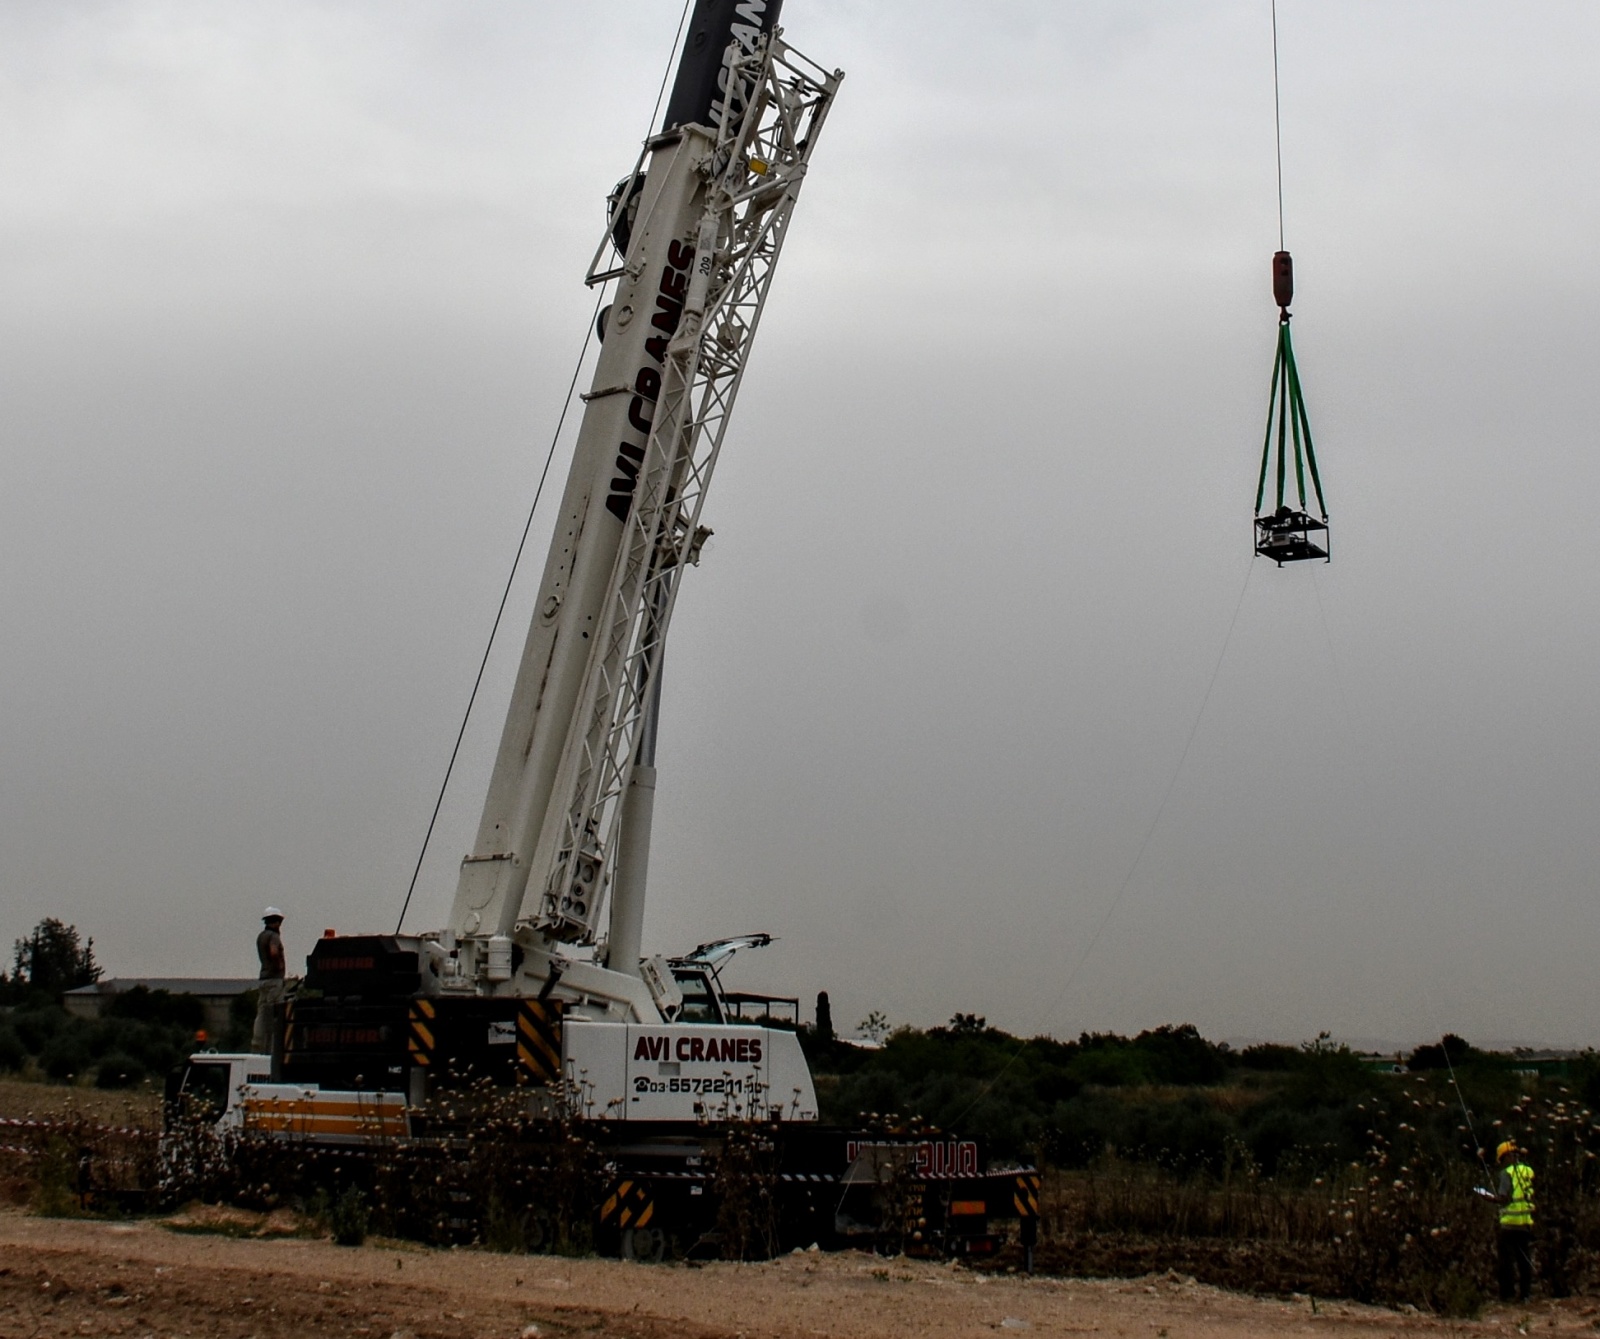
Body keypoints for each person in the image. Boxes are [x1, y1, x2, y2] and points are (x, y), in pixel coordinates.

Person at [1491, 1139, 1536, 1302]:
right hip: (1525, 1222)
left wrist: (1491, 1198)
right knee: (1524, 1260)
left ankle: (1507, 1295)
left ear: (1506, 1157)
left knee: (1506, 1261)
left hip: (1509, 1223)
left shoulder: (1506, 1173)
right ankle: (1525, 1295)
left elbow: (1504, 1197)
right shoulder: (1529, 1171)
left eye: (1502, 1160)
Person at [251, 907, 287, 1053]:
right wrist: (279, 966)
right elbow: (273, 951)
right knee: (274, 1014)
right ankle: (272, 1048)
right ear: (277, 921)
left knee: (261, 1013)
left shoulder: (261, 936)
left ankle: (257, 1043)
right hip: (274, 980)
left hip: (263, 979)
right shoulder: (274, 936)